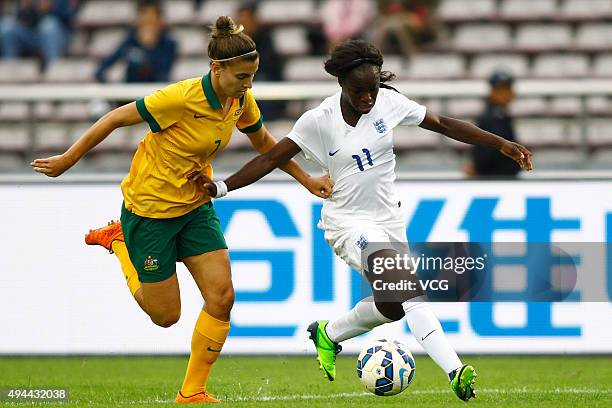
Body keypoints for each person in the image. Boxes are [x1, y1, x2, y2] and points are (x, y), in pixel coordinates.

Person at [191, 40, 532, 402]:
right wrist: (222, 187)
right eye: (359, 91)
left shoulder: (388, 101)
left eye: (372, 88)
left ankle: (329, 333)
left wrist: (501, 144)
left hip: (389, 220)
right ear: (341, 83)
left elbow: (444, 124)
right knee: (408, 289)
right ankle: (455, 371)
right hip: (348, 223)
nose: (368, 97)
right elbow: (270, 158)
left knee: (392, 306)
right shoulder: (319, 121)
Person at [31, 15, 332, 404]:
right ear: (216, 68)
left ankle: (192, 391)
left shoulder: (239, 100)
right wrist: (68, 159)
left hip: (194, 207)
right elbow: (114, 117)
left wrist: (306, 179)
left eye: (252, 76)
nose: (248, 84)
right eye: (242, 77)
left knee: (222, 295)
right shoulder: (179, 98)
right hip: (149, 212)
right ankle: (119, 242)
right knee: (166, 316)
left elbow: (265, 143)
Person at [95, 0, 177, 83]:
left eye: (152, 19)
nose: (148, 22)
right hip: (131, 91)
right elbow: (105, 65)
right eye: (144, 17)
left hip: (157, 91)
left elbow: (163, 71)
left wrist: (149, 47)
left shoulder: (169, 43)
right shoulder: (130, 40)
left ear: (160, 21)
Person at [465, 69, 521, 178]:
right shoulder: (491, 117)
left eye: (507, 88)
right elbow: (489, 153)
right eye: (501, 89)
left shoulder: (499, 114)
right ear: (492, 91)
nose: (507, 93)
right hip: (495, 178)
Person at [236, 0, 284, 120]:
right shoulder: (234, 42)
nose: (243, 24)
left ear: (254, 21)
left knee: (260, 81)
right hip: (243, 81)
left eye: (246, 20)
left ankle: (262, 121)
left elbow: (267, 66)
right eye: (240, 21)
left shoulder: (265, 39)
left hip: (263, 82)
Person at [0, 0, 80, 65]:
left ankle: (54, 67)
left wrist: (52, 7)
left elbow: (69, 17)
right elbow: (24, 21)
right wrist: (26, 9)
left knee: (48, 24)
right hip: (33, 36)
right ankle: (10, 67)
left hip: (59, 35)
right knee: (6, 26)